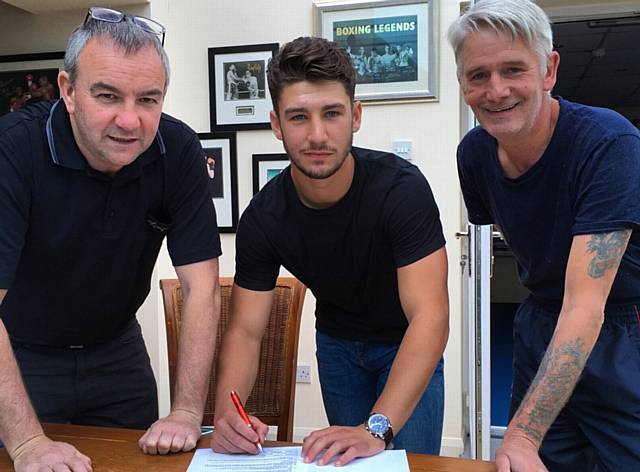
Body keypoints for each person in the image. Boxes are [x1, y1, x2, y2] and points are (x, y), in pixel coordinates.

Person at [0, 6, 222, 472]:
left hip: (118, 354)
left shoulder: (177, 150)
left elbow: (201, 289)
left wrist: (185, 412)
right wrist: (26, 445)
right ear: (69, 91)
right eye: (108, 96)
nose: (129, 121)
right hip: (20, 355)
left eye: (148, 99)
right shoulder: (13, 149)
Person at [210, 36, 449, 466]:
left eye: (332, 113)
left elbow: (430, 317)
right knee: (349, 463)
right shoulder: (264, 218)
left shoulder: (401, 190)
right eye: (299, 117)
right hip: (337, 344)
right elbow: (246, 330)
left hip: (406, 342)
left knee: (408, 464)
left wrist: (377, 427)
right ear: (277, 124)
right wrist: (228, 413)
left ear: (355, 116)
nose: (317, 135)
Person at [448, 1, 640, 471]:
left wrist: (522, 433)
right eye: (478, 75)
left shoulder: (608, 143)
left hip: (623, 328)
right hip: (540, 324)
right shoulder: (474, 155)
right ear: (462, 83)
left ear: (548, 69)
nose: (496, 91)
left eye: (514, 69)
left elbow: (585, 304)